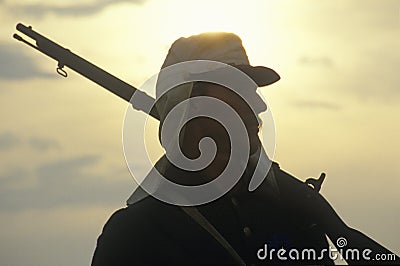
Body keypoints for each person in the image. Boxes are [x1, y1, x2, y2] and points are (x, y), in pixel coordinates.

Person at [92, 33, 399, 265]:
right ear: (192, 104)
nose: (259, 105)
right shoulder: (135, 234)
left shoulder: (292, 211)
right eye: (237, 89)